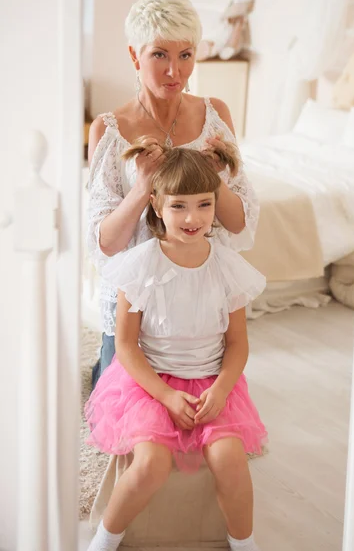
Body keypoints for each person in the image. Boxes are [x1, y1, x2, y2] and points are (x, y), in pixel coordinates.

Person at [85, 140, 267, 551]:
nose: (193, 217)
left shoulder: (225, 267)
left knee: (230, 462)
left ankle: (245, 543)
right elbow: (127, 346)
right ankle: (104, 540)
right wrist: (166, 395)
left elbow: (237, 344)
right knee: (151, 463)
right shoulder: (141, 264)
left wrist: (220, 389)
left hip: (211, 382)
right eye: (179, 205)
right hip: (151, 383)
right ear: (156, 205)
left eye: (204, 204)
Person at [87, 0, 260, 388]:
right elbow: (106, 243)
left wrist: (214, 178)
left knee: (203, 415)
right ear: (135, 56)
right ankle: (105, 359)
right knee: (126, 420)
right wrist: (143, 185)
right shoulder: (108, 130)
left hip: (199, 296)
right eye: (159, 55)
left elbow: (236, 223)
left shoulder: (216, 115)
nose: (174, 72)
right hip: (138, 302)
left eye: (185, 55)